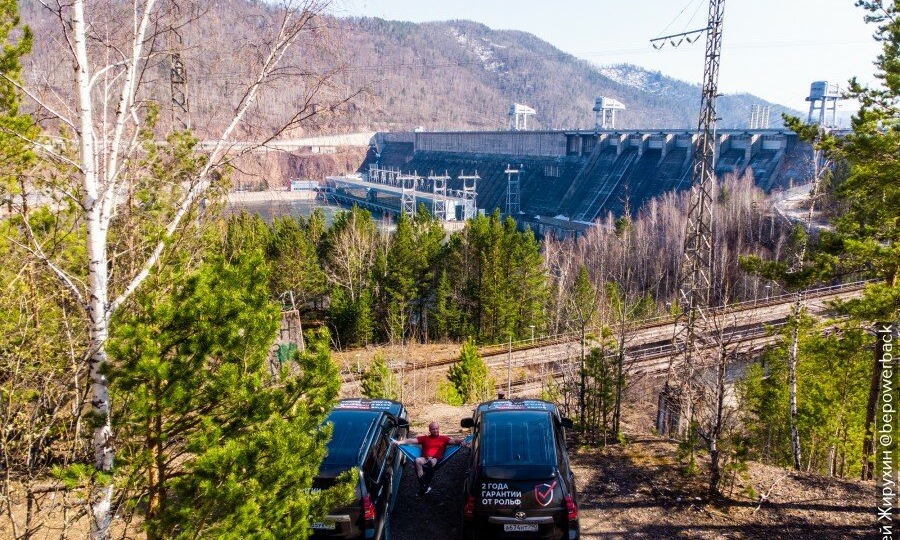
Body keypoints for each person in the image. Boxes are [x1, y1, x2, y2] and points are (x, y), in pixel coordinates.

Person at [394, 422, 468, 496]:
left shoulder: (444, 439)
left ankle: (424, 486)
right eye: (433, 429)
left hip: (436, 460)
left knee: (432, 461)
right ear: (429, 430)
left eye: (437, 428)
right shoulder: (425, 438)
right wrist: (400, 442)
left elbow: (454, 441)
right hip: (425, 459)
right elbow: (411, 440)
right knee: (417, 460)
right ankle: (424, 486)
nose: (435, 430)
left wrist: (462, 441)